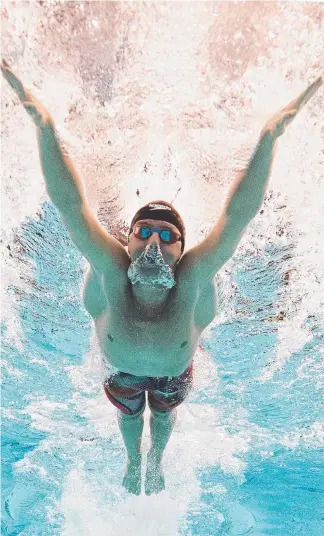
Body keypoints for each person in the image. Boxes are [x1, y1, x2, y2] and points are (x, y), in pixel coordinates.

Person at [1, 59, 322, 495]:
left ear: (182, 248)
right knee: (131, 414)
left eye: (168, 236)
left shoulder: (192, 278)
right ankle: (135, 459)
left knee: (164, 415)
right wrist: (42, 124)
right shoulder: (111, 270)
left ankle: (156, 458)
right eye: (145, 232)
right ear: (128, 241)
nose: (156, 242)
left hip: (174, 374)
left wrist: (270, 136)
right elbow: (71, 208)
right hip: (124, 372)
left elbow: (236, 217)